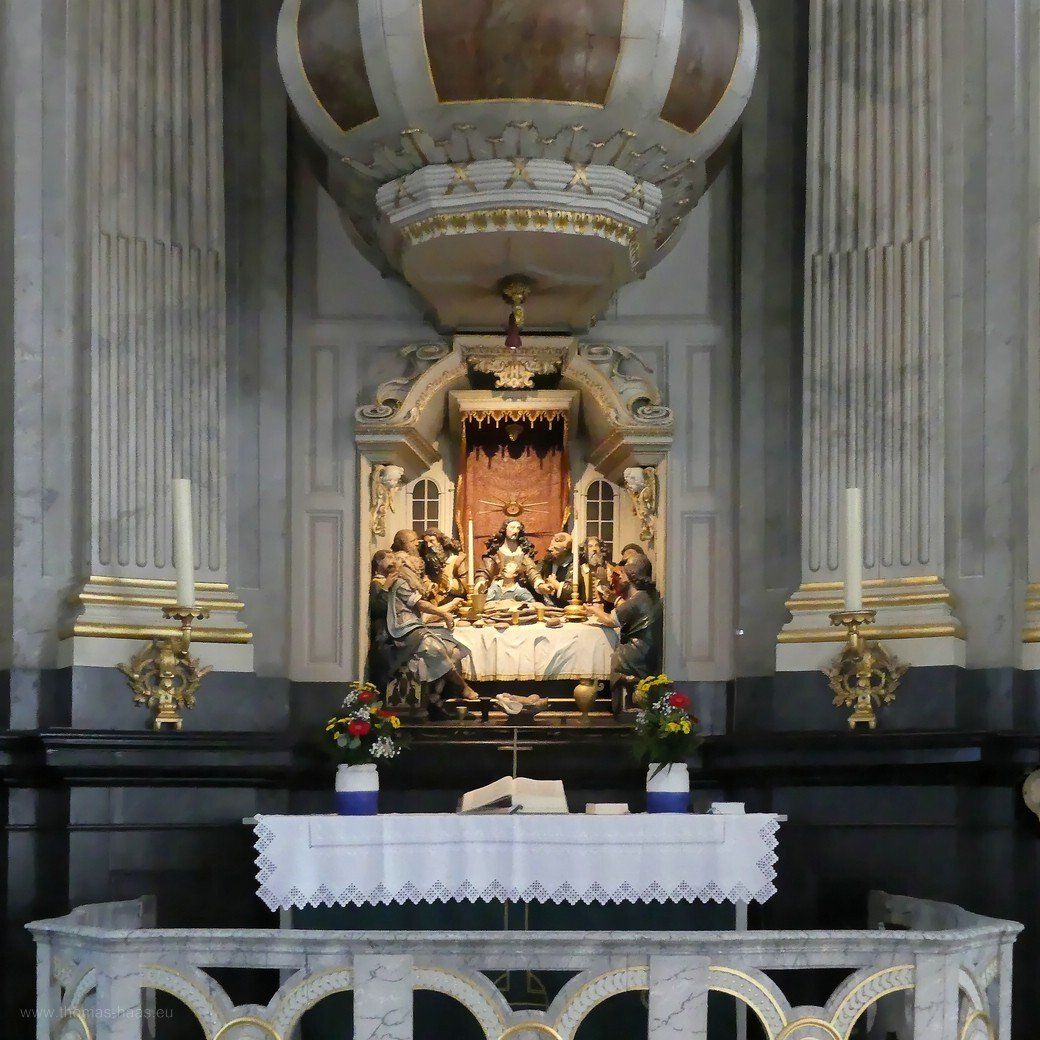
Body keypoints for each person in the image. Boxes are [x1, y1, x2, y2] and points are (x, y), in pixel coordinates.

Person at [384, 530, 479, 718]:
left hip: (416, 624)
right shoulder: (401, 582)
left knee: (452, 648)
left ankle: (435, 697)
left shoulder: (410, 579)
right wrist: (444, 612)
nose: (419, 568)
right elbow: (419, 603)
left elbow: (424, 591)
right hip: (405, 628)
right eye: (415, 566)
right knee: (436, 649)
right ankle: (463, 687)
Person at [584, 555, 663, 713]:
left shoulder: (638, 600)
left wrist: (593, 609)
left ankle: (621, 709)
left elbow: (610, 620)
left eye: (623, 574)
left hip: (637, 653)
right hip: (648, 650)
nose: (619, 577)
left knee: (617, 657)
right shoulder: (648, 595)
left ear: (631, 577)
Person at [476, 519, 543, 594]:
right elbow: (485, 570)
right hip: (498, 590)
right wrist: (481, 582)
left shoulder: (523, 553)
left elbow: (531, 570)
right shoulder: (495, 552)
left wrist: (539, 583)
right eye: (512, 527)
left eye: (518, 528)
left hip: (519, 590)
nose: (515, 531)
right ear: (505, 529)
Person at [420, 527, 466, 606]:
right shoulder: (426, 561)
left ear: (440, 542)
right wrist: (430, 585)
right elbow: (424, 578)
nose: (429, 545)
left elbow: (465, 587)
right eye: (426, 542)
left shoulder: (456, 560)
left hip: (453, 602)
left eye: (432, 541)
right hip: (434, 603)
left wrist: (448, 584)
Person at [538, 531, 577, 606]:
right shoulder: (547, 560)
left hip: (564, 606)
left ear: (566, 550)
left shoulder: (573, 564)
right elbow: (536, 574)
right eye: (551, 546)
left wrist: (554, 583)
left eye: (556, 549)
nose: (551, 549)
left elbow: (570, 591)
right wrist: (543, 585)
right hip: (545, 603)